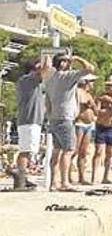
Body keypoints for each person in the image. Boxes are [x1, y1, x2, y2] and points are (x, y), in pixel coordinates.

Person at [45, 52, 95, 191]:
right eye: (67, 61)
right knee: (69, 150)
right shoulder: (67, 76)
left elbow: (47, 101)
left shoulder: (50, 78)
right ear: (62, 63)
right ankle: (65, 182)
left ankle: (53, 183)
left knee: (56, 150)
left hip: (54, 118)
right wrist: (78, 58)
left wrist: (50, 114)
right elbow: (90, 69)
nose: (70, 64)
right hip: (66, 118)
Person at [11, 56, 51, 190]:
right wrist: (47, 56)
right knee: (26, 151)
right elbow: (46, 70)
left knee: (27, 150)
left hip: (30, 120)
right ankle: (20, 180)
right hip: (29, 120)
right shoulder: (28, 79)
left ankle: (22, 178)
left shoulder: (29, 81)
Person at [93, 75, 112, 185]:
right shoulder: (102, 96)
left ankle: (106, 176)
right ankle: (94, 177)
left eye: (111, 86)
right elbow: (97, 110)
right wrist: (108, 109)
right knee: (98, 152)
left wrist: (109, 101)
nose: (109, 88)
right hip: (101, 126)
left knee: (109, 154)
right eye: (108, 86)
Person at [72, 74, 98, 185]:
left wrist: (92, 106)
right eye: (91, 81)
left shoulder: (89, 95)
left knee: (83, 152)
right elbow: (77, 106)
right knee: (75, 150)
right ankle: (67, 176)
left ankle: (81, 177)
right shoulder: (78, 92)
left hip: (89, 124)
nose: (93, 84)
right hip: (79, 123)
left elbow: (95, 110)